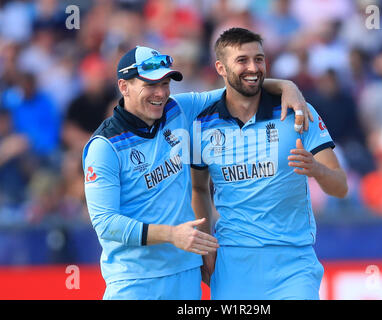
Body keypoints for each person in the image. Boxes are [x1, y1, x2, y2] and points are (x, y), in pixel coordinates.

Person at [82, 45, 311, 300]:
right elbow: (105, 224)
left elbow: (237, 90)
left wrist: (286, 87)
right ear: (124, 87)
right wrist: (171, 234)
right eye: (151, 85)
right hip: (134, 280)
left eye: (165, 84)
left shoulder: (177, 109)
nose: (161, 93)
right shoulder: (105, 147)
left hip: (187, 274)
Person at [191, 28, 348, 300]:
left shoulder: (298, 111)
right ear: (220, 67)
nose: (253, 67)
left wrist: (316, 169)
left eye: (259, 59)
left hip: (294, 262)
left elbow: (341, 187)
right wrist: (206, 247)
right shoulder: (202, 124)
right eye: (242, 60)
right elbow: (199, 189)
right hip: (233, 264)